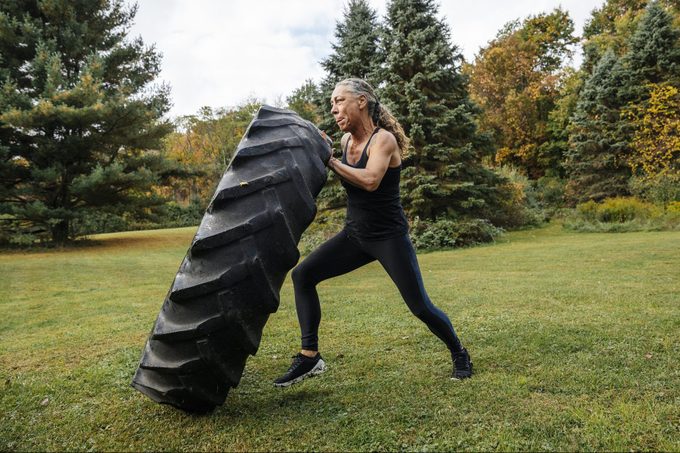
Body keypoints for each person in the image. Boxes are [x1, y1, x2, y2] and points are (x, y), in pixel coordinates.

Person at [273, 78, 472, 387]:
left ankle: (459, 352)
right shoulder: (343, 144)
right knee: (303, 276)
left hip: (388, 238)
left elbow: (369, 180)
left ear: (361, 101)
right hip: (355, 237)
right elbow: (335, 171)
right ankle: (310, 355)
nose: (334, 108)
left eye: (339, 101)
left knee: (420, 306)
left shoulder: (383, 141)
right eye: (331, 104)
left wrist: (330, 161)